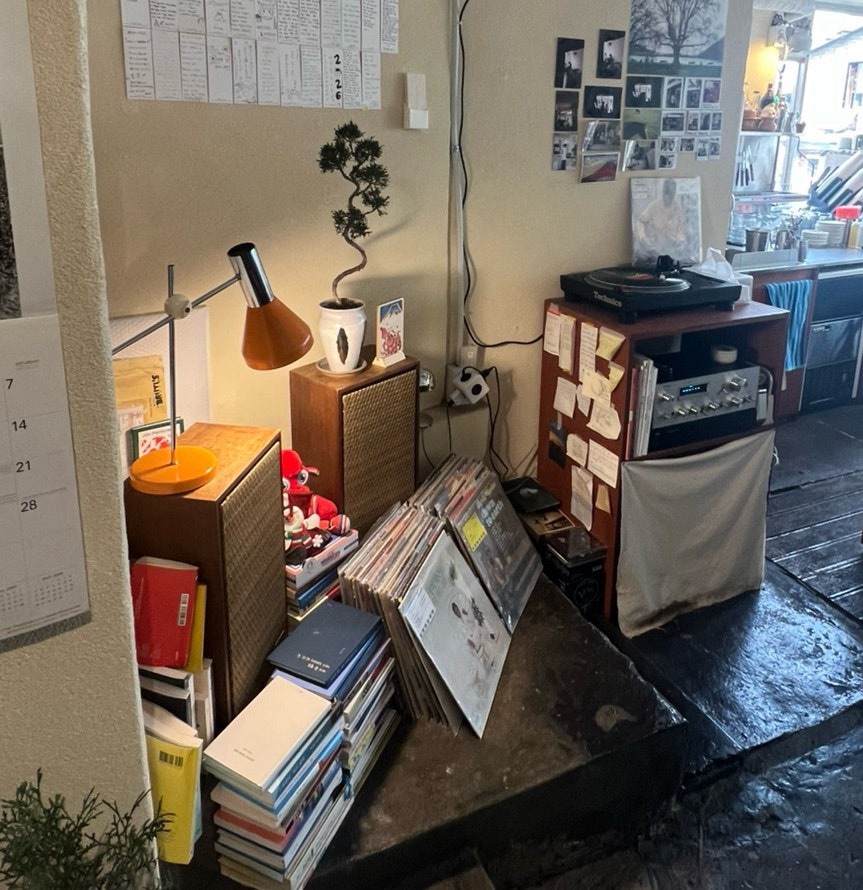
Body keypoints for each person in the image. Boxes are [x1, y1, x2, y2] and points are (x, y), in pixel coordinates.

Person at [634, 178, 689, 260]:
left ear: (674, 193)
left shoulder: (679, 211)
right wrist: (643, 237)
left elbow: (682, 233)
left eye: (671, 192)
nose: (668, 195)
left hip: (671, 252)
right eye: (666, 192)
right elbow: (640, 221)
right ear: (663, 191)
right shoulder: (654, 206)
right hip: (653, 251)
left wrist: (681, 242)